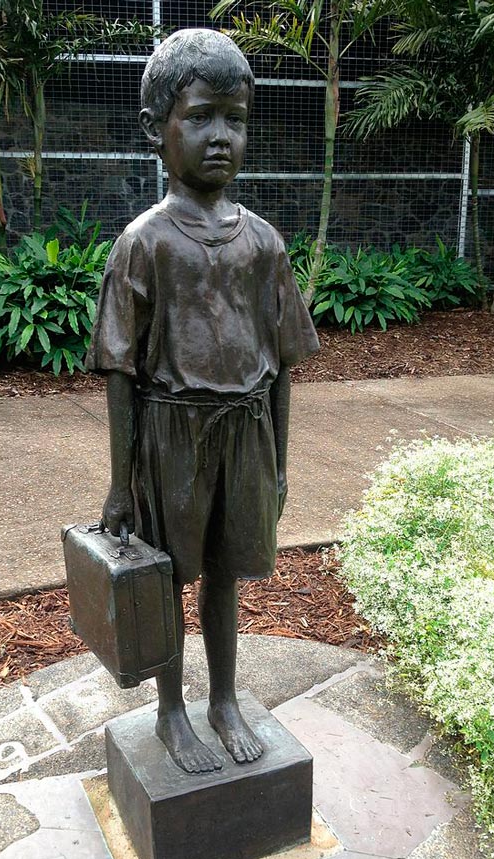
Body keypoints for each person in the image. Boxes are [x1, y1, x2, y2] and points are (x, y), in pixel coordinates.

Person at [85, 28, 319, 774]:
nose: (221, 137)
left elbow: (283, 362)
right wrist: (121, 482)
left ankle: (224, 698)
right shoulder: (143, 244)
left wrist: (279, 460)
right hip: (169, 437)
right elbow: (120, 368)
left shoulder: (264, 245)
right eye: (201, 116)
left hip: (246, 435)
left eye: (236, 119)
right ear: (159, 129)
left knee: (225, 571)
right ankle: (171, 710)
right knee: (166, 576)